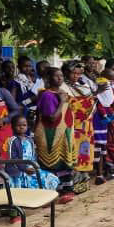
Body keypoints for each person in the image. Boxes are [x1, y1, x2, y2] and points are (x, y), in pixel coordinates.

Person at [34, 68, 75, 204]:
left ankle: (67, 189)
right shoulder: (47, 95)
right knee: (51, 163)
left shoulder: (61, 92)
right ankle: (53, 192)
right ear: (48, 78)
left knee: (64, 161)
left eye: (61, 76)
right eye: (56, 76)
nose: (59, 78)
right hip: (49, 134)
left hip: (63, 133)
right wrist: (62, 101)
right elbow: (51, 117)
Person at [4, 116, 60, 192]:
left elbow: (33, 156)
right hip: (19, 170)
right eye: (18, 125)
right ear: (13, 127)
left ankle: (45, 197)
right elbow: (13, 159)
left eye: (24, 125)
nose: (21, 127)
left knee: (51, 178)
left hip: (31, 168)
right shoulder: (13, 140)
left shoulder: (29, 139)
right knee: (29, 185)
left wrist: (35, 167)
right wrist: (25, 168)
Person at [63, 62, 97, 181]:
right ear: (66, 72)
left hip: (86, 125)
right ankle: (74, 176)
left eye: (78, 74)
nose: (76, 76)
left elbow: (92, 102)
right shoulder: (63, 87)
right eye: (74, 73)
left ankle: (84, 172)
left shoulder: (84, 86)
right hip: (72, 125)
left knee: (85, 149)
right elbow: (67, 106)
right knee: (73, 149)